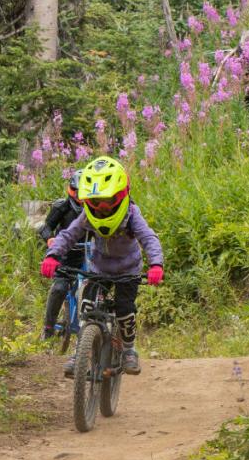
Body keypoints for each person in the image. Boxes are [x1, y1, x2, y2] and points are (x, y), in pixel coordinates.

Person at [39, 156, 164, 377]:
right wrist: (53, 255)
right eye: (96, 202)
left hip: (128, 271)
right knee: (86, 307)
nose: (103, 208)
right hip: (98, 269)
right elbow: (68, 235)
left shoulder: (131, 214)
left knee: (125, 310)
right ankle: (80, 353)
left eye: (108, 201)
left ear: (121, 195)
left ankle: (128, 350)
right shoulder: (88, 215)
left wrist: (156, 264)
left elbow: (149, 238)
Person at [38, 168, 88, 341]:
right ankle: (48, 328)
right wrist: (50, 239)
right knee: (59, 288)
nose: (79, 197)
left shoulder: (95, 208)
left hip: (90, 255)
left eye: (83, 193)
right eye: (76, 192)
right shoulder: (62, 206)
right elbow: (45, 227)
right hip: (66, 255)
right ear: (71, 190)